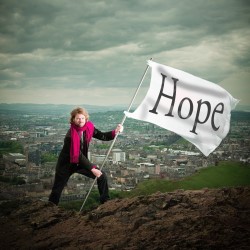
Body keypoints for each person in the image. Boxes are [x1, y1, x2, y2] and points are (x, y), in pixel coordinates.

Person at [48, 107, 123, 205]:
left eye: (82, 118)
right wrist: (92, 169)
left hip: (80, 163)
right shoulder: (70, 136)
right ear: (73, 120)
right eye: (78, 118)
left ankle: (105, 203)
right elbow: (77, 155)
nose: (80, 121)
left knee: (101, 176)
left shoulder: (89, 128)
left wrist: (115, 132)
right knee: (57, 189)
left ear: (86, 119)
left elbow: (102, 136)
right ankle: (50, 209)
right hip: (66, 164)